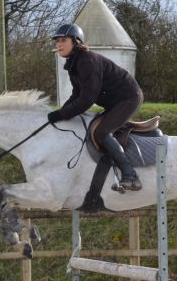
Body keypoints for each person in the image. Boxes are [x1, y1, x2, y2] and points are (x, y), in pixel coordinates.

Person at [47, 23, 143, 191]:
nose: (58, 44)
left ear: (76, 42)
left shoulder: (87, 61)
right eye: (56, 41)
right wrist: (59, 114)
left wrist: (61, 114)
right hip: (114, 103)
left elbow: (86, 99)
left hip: (129, 98)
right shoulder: (74, 64)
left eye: (63, 40)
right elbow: (76, 95)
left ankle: (130, 175)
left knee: (102, 132)